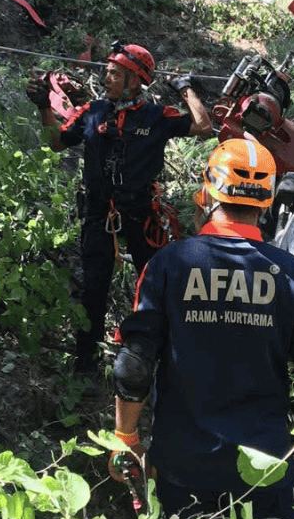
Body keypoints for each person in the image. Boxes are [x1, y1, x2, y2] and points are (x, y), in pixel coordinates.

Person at [110, 138, 294, 519]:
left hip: (183, 463)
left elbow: (135, 362)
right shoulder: (291, 274)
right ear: (267, 200)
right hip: (265, 463)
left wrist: (126, 438)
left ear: (207, 192)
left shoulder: (169, 264)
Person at [25, 42, 212, 378]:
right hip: (98, 213)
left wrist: (185, 89)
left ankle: (159, 353)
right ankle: (86, 364)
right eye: (107, 71)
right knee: (94, 288)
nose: (106, 77)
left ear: (135, 80)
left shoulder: (157, 116)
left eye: (114, 73)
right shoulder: (92, 112)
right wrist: (43, 108)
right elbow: (56, 142)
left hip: (140, 212)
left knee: (154, 284)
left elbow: (202, 126)